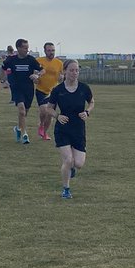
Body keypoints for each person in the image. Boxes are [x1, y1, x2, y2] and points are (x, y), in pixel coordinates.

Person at [48, 59, 94, 198]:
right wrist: (57, 116)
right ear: (64, 72)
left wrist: (87, 112)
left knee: (78, 163)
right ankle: (66, 190)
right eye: (71, 70)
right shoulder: (58, 90)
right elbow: (48, 109)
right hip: (63, 129)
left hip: (78, 129)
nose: (75, 73)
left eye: (77, 70)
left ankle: (72, 168)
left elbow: (91, 102)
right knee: (68, 160)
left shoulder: (84, 88)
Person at [2, 38, 43, 143]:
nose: (26, 50)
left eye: (27, 48)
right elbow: (3, 68)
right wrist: (5, 80)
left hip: (28, 89)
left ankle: (18, 128)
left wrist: (36, 75)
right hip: (17, 88)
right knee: (21, 110)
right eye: (24, 48)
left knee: (24, 113)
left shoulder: (31, 60)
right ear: (18, 48)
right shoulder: (11, 59)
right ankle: (25, 134)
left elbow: (42, 70)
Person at [34, 42, 64, 140]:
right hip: (41, 90)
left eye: (53, 50)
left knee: (50, 114)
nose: (51, 52)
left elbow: (62, 76)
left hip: (53, 91)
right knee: (43, 110)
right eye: (49, 50)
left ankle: (45, 133)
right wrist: (36, 78)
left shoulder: (59, 63)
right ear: (45, 51)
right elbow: (34, 72)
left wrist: (62, 77)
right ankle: (41, 125)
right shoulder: (38, 61)